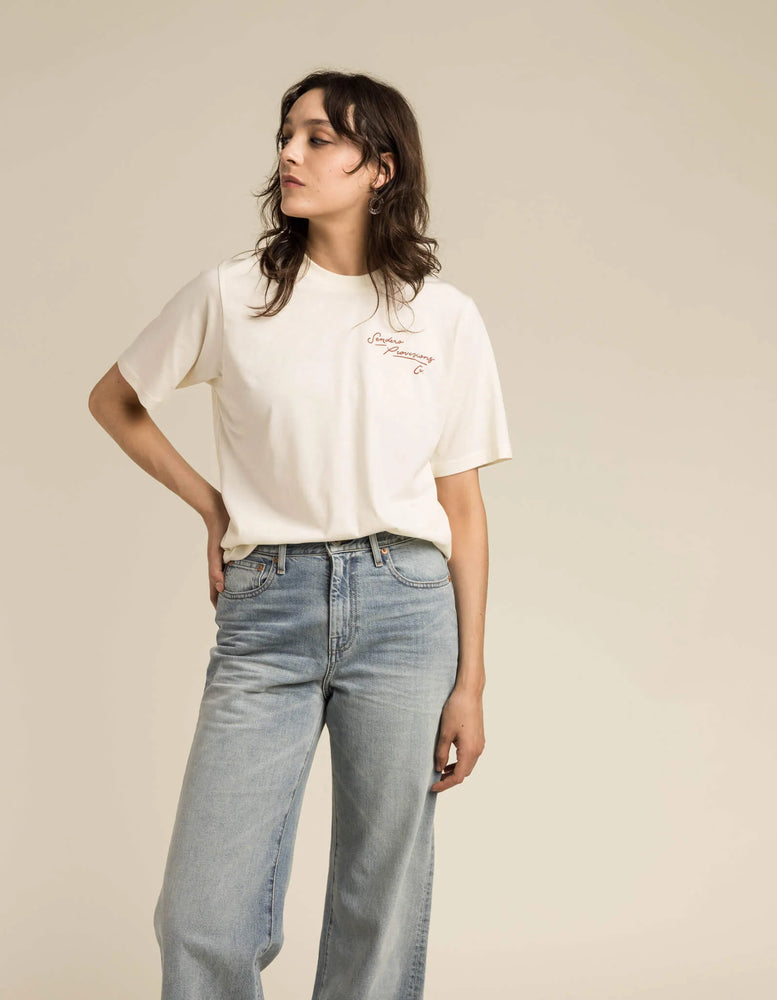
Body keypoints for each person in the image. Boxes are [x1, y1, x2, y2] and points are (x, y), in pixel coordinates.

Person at [88, 69, 513, 1000]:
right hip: (266, 607)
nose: (290, 153)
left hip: (406, 608)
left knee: (379, 899)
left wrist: (470, 682)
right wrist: (211, 505)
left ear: (380, 169)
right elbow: (114, 400)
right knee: (201, 911)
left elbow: (465, 510)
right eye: (287, 134)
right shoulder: (231, 297)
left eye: (319, 138)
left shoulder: (441, 318)